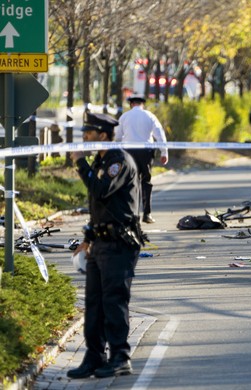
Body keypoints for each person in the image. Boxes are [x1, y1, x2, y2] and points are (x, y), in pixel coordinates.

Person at [67, 112, 143, 379]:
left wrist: (81, 164)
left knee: (114, 301)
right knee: (94, 304)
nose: (84, 137)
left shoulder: (118, 161)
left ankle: (120, 357)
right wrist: (87, 239)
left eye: (88, 132)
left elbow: (100, 191)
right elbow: (98, 207)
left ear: (102, 135)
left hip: (119, 243)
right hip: (100, 243)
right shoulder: (101, 161)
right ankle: (94, 356)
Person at [115, 94, 168, 224]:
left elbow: (116, 136)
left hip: (128, 152)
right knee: (146, 182)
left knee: (130, 182)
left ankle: (131, 214)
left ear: (131, 104)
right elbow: (159, 134)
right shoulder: (149, 116)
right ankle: (147, 213)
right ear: (142, 104)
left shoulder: (124, 117)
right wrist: (164, 152)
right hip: (145, 152)